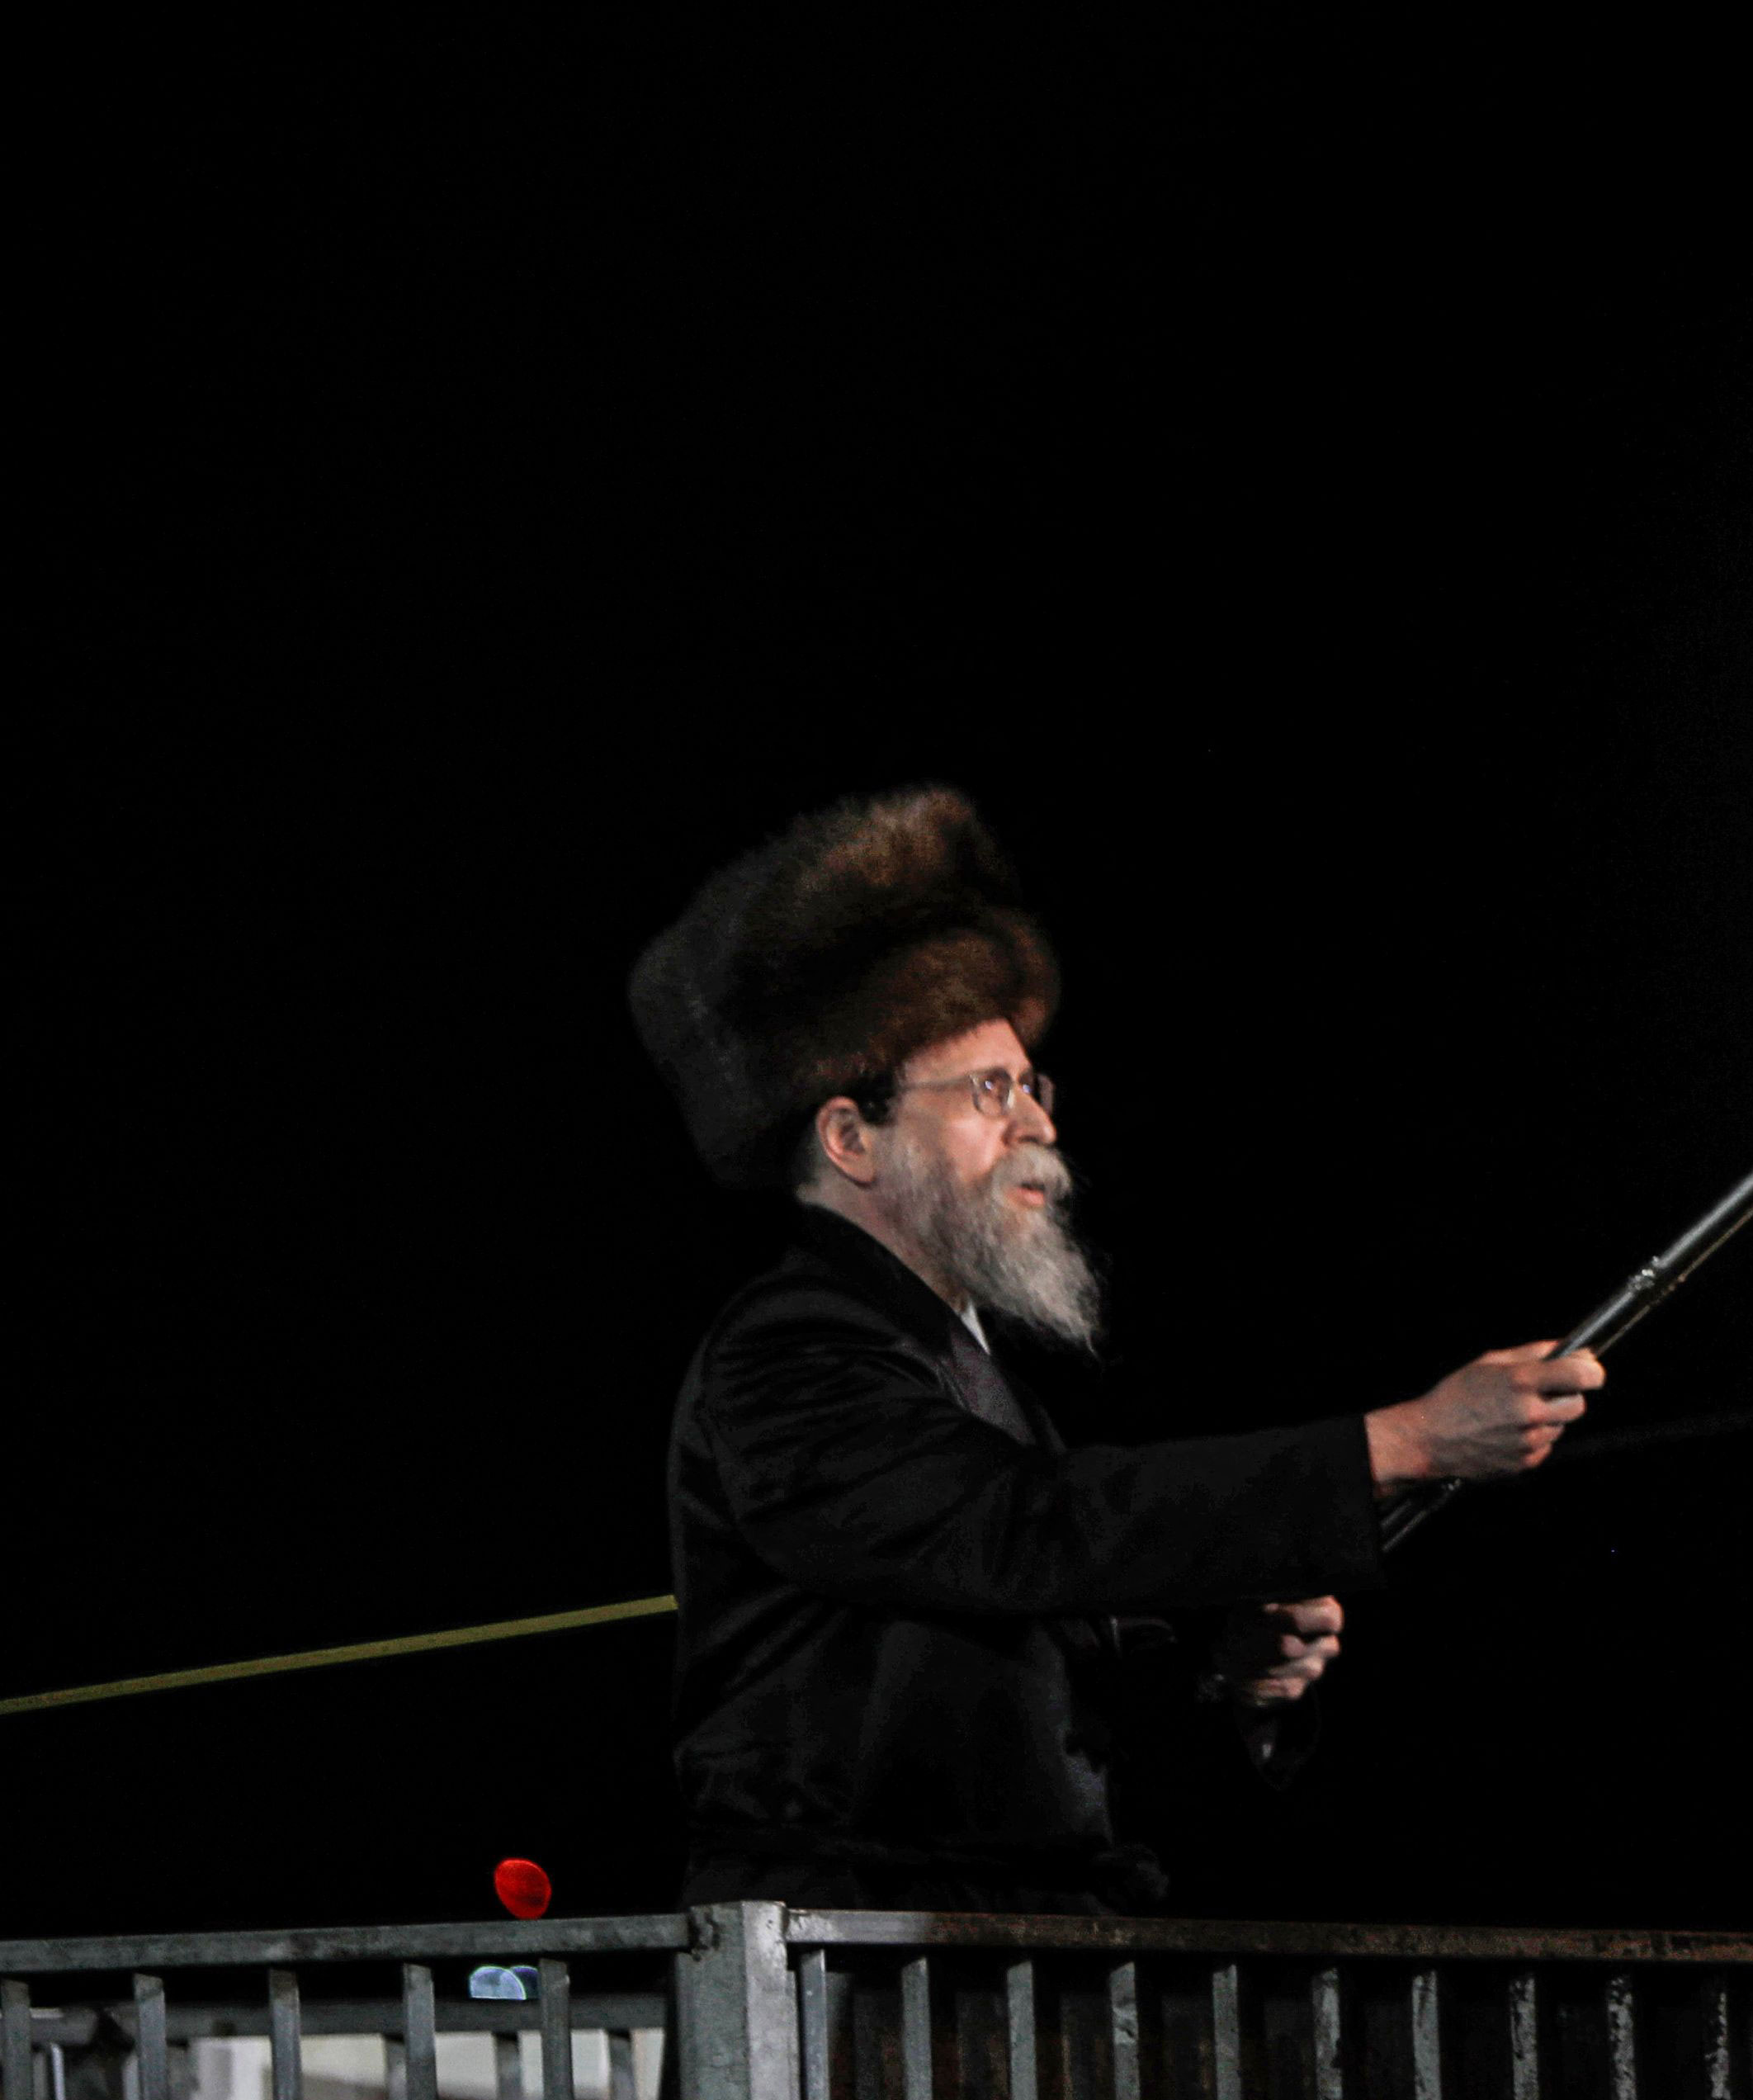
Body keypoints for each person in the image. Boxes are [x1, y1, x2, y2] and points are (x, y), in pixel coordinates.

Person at [629, 780, 1599, 1913]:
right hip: (848, 1979)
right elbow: (1026, 1528)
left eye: (1031, 1084)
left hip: (989, 1969)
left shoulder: (964, 1368)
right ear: (851, 1137)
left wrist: (1223, 1680)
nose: (1037, 1123)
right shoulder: (789, 1353)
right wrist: (1398, 1443)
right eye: (988, 1089)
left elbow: (1024, 1698)